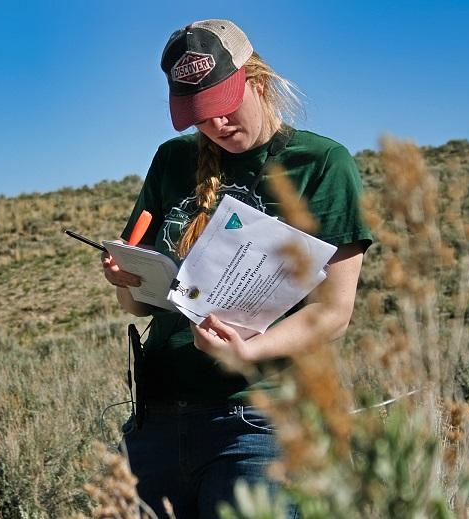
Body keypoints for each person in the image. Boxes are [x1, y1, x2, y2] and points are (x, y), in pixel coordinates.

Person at [101, 19, 372, 519]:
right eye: (199, 118)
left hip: (260, 421)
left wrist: (249, 350)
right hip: (158, 420)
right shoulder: (171, 161)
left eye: (223, 110)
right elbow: (140, 303)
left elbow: (333, 313)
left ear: (258, 82)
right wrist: (125, 277)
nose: (215, 127)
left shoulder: (322, 165)